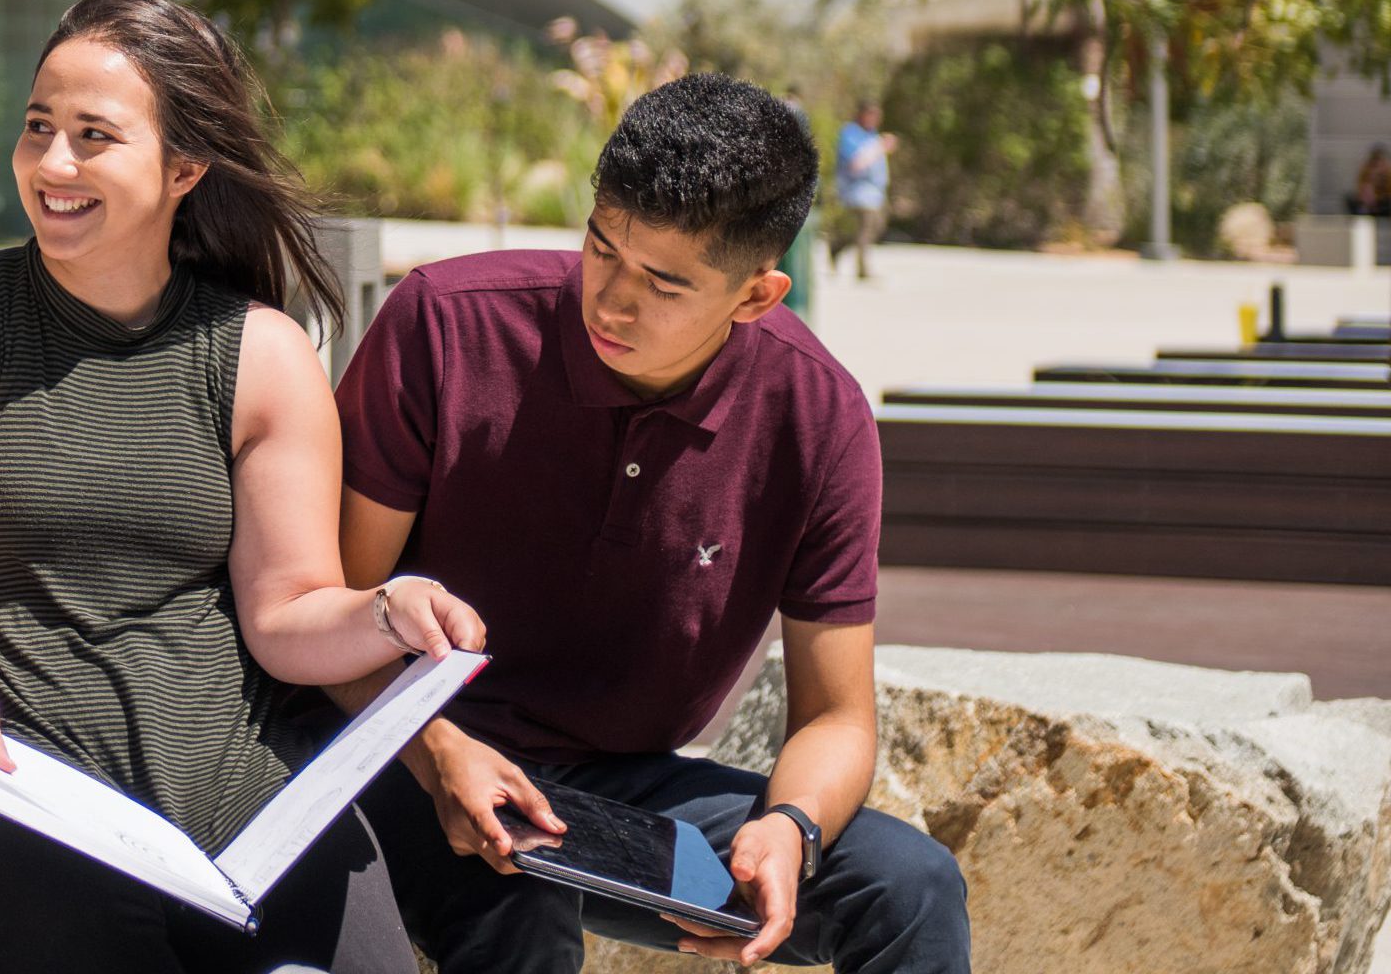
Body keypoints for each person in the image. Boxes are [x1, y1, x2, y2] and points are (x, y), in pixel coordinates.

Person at [0, 0, 487, 974]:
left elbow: (288, 612)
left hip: (245, 797)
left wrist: (389, 614)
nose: (52, 164)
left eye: (94, 136)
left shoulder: (262, 356)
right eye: (37, 128)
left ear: (184, 167)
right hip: (9, 777)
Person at [333, 74, 971, 973]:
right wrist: (440, 752)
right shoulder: (445, 324)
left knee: (911, 888)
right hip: (395, 752)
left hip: (613, 795)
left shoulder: (819, 418)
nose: (610, 302)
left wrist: (790, 829)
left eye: (665, 286)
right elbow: (336, 617)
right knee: (521, 903)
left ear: (757, 296)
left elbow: (835, 716)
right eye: (602, 250)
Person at [832, 100, 895, 279]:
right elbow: (856, 163)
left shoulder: (871, 134)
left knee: (876, 227)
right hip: (857, 191)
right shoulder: (850, 133)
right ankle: (863, 270)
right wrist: (880, 147)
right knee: (865, 228)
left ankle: (837, 246)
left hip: (875, 193)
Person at [1350, 144, 1391, 216]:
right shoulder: (1366, 170)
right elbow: (1361, 186)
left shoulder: (1387, 171)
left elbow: (1388, 191)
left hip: (1383, 200)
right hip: (1368, 200)